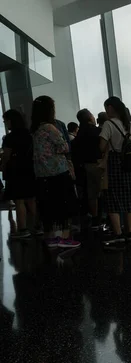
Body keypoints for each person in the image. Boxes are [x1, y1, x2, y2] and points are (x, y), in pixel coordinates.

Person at [30, 95, 81, 249]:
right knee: (65, 205)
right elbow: (64, 147)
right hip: (58, 173)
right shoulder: (50, 128)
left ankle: (51, 238)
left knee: (48, 207)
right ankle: (65, 239)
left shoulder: (34, 129)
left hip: (41, 174)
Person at [99, 96, 131, 246]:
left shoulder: (108, 124)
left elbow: (101, 147)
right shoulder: (130, 124)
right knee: (130, 197)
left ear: (110, 108)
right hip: (129, 163)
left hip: (115, 163)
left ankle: (118, 234)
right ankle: (130, 232)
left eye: (106, 108)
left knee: (113, 198)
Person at [1, 109, 37, 239]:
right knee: (31, 199)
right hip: (29, 169)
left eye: (6, 121)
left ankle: (23, 229)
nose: (5, 123)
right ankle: (39, 227)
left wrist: (3, 167)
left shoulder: (10, 138)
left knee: (19, 200)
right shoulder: (29, 134)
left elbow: (6, 156)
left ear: (11, 121)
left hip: (16, 171)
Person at [73, 108, 103, 230]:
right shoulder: (97, 131)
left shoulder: (79, 134)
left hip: (85, 166)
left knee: (91, 194)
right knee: (102, 191)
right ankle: (107, 218)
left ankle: (95, 218)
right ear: (89, 118)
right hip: (99, 164)